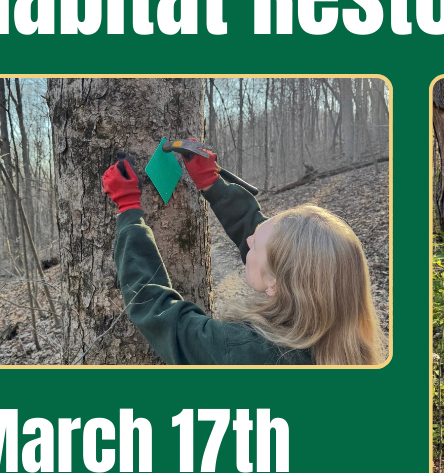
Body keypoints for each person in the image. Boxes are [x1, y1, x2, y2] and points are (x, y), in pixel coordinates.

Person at [101, 142, 384, 365]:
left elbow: (161, 315)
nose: (248, 239)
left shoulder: (246, 353)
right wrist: (213, 184)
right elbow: (272, 244)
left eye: (256, 246)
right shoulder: (343, 336)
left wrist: (128, 211)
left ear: (278, 283)